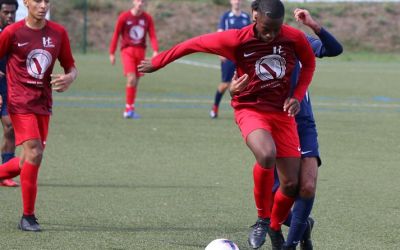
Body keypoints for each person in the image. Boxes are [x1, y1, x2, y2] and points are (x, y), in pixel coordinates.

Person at [138, 1, 315, 249]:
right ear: (254, 15)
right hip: (251, 108)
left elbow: (309, 63)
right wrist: (159, 62)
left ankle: (275, 228)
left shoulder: (293, 37)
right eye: (266, 28)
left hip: (282, 113)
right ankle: (262, 220)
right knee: (266, 154)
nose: (271, 35)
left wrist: (296, 96)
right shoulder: (235, 39)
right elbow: (192, 44)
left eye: (276, 29)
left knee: (290, 184)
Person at [234, 2, 343, 249]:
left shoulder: (296, 39)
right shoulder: (250, 43)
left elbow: (334, 49)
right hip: (268, 122)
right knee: (277, 198)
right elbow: (240, 81)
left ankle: (289, 244)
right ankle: (302, 226)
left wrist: (313, 25)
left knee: (305, 185)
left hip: (301, 121)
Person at [0, 0, 77, 232]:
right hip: (19, 103)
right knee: (34, 152)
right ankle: (28, 217)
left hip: (43, 105)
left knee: (27, 161)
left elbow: (71, 66)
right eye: (37, 1)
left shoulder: (58, 33)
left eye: (47, 1)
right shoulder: (11, 32)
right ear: (27, 3)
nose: (43, 5)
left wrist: (69, 78)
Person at [109, 0, 159, 119]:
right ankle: (128, 109)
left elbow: (152, 35)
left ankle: (130, 108)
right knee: (131, 78)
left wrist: (155, 50)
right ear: (133, 2)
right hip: (127, 51)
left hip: (141, 51)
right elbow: (116, 34)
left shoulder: (147, 18)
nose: (140, 3)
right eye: (138, 0)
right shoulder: (124, 17)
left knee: (136, 81)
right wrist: (112, 52)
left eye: (142, 1)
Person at [209, 0, 251, 119]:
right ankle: (215, 107)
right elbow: (219, 35)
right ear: (231, 1)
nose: (236, 1)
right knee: (225, 84)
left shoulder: (245, 17)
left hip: (243, 57)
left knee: (246, 82)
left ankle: (246, 111)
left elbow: (249, 35)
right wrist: (220, 51)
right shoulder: (226, 17)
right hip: (228, 56)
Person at [0, 0, 18, 187]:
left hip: (7, 90)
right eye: (5, 12)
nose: (9, 16)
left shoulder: (14, 34)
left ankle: (5, 172)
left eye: (12, 13)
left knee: (10, 128)